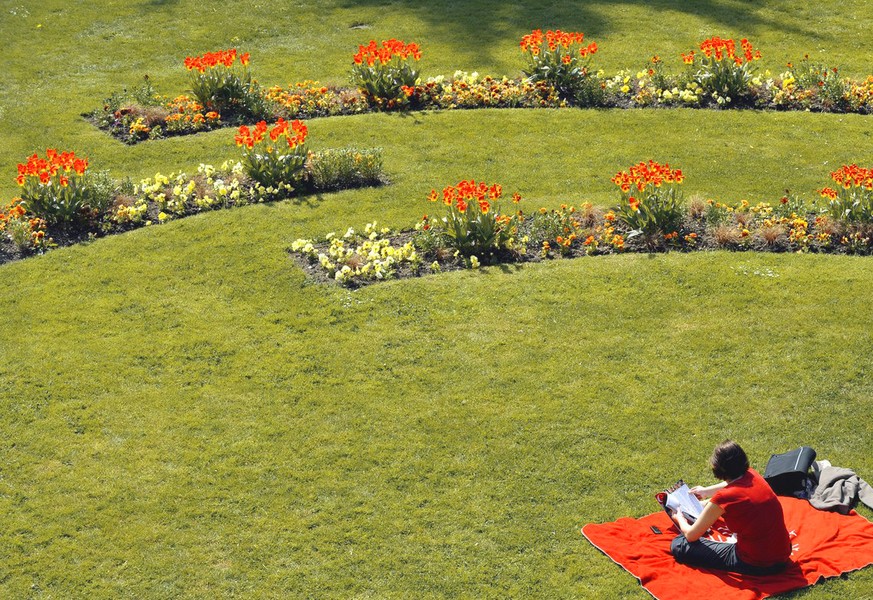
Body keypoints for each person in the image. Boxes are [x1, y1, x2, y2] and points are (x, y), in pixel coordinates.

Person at [669, 440, 792, 575]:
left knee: (680, 544)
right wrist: (706, 491)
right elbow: (733, 485)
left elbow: (691, 535)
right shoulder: (752, 475)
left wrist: (680, 519)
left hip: (758, 563)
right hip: (783, 553)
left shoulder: (724, 498)